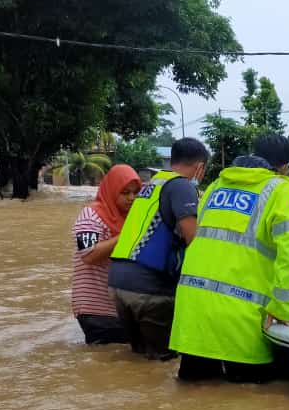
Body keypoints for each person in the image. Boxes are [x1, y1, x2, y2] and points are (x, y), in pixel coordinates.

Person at [171, 134, 289, 383]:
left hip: (193, 314)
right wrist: (280, 309)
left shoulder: (215, 187)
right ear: (285, 167)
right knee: (253, 405)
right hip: (240, 320)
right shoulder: (280, 191)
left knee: (191, 399)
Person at [108, 137, 209, 359]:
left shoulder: (153, 184)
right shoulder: (183, 186)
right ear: (200, 167)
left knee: (138, 360)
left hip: (118, 284)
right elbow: (194, 240)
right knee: (162, 364)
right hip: (149, 289)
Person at [70, 164, 142, 344]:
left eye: (135, 193)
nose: (131, 198)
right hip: (94, 309)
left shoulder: (132, 218)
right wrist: (124, 236)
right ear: (111, 189)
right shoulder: (90, 215)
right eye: (125, 192)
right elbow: (88, 255)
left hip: (118, 308)